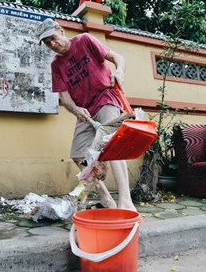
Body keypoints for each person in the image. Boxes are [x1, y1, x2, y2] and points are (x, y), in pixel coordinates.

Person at [36, 18, 136, 211]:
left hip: (105, 97)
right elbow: (64, 98)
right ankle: (106, 198)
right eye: (47, 43)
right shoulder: (56, 64)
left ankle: (126, 201)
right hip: (85, 112)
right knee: (78, 155)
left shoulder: (84, 40)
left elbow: (118, 58)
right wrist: (76, 109)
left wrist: (120, 72)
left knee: (110, 142)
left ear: (62, 31)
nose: (52, 44)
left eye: (53, 38)